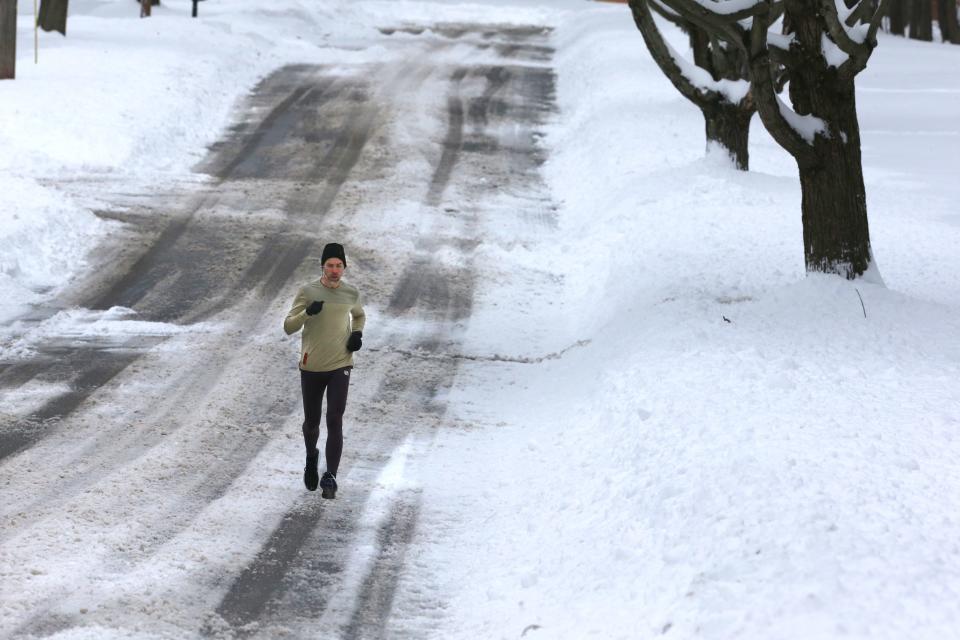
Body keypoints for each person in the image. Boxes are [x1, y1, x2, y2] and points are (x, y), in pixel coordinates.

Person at [284, 242, 365, 499]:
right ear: (322, 266)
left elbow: (359, 315)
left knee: (335, 418)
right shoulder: (308, 291)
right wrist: (308, 312)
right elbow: (288, 326)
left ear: (344, 267)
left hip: (341, 363)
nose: (334, 269)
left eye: (339, 265)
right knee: (312, 423)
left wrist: (356, 334)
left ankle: (330, 475)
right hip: (312, 365)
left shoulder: (350, 293)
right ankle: (311, 456)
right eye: (330, 265)